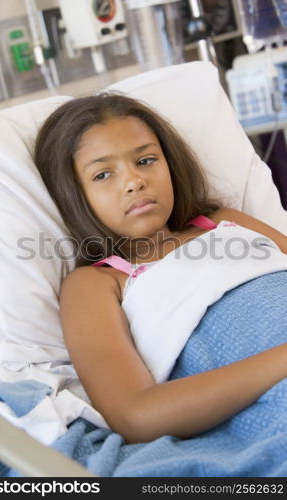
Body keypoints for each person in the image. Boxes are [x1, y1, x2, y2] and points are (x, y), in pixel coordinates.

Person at [34, 91, 287, 444]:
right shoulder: (98, 283)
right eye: (103, 174)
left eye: (146, 160)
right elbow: (137, 414)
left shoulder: (227, 224)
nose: (134, 181)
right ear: (74, 194)